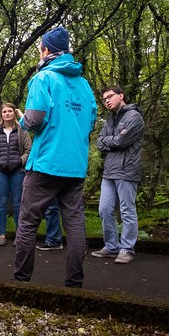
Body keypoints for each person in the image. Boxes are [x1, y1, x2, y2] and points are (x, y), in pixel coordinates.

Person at [13, 25, 97, 288]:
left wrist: (22, 121)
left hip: (46, 162)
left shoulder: (43, 78)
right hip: (75, 165)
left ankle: (21, 280)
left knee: (28, 221)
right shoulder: (84, 85)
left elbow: (35, 119)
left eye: (40, 48)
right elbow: (91, 122)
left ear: (46, 50)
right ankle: (74, 282)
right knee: (74, 224)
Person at [91, 85, 145, 264]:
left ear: (121, 96)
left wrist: (111, 140)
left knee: (127, 210)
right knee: (104, 210)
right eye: (104, 98)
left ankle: (127, 249)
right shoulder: (109, 120)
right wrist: (112, 140)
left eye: (110, 96)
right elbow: (100, 142)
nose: (107, 100)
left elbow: (123, 141)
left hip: (127, 170)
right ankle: (111, 246)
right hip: (109, 171)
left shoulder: (134, 117)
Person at [0, 102, 32, 246]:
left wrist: (20, 161)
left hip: (18, 171)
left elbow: (29, 150)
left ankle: (20, 235)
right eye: (4, 111)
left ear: (14, 113)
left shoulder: (22, 130)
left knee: (18, 203)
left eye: (10, 111)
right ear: (1, 114)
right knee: (2, 203)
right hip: (1, 172)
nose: (7, 114)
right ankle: (2, 235)